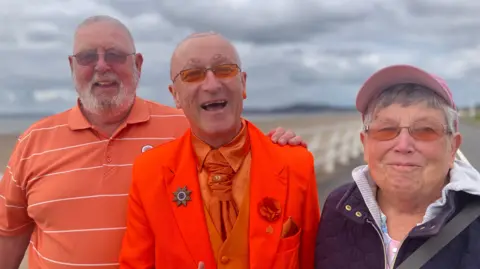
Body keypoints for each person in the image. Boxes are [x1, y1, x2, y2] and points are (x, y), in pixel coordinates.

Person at [0, 16, 307, 269]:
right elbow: (9, 236)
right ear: (71, 66)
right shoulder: (33, 142)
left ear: (139, 64)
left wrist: (281, 144)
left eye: (116, 55)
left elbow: (235, 136)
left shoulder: (186, 124)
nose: (102, 66)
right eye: (87, 57)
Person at [118, 32, 320, 269]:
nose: (212, 85)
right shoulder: (149, 173)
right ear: (176, 96)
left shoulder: (296, 163)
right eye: (192, 75)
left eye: (224, 69)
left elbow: (312, 261)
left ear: (243, 83)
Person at [314, 64, 480, 268]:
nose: (403, 145)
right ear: (365, 144)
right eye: (386, 129)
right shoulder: (338, 207)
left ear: (452, 147)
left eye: (426, 130)